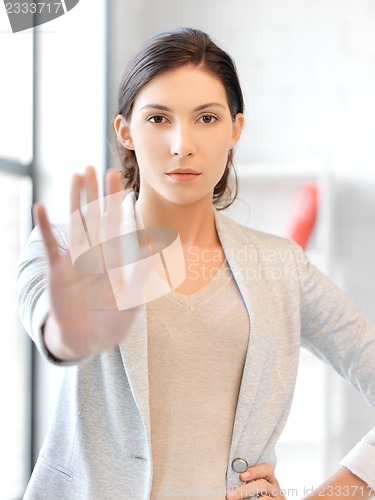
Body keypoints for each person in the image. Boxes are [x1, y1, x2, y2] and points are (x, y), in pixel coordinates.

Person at [16, 26, 375, 500]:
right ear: (125, 131)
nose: (182, 143)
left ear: (235, 129)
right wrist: (75, 331)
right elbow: (53, 328)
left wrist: (332, 495)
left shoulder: (282, 267)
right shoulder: (63, 246)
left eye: (206, 118)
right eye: (159, 118)